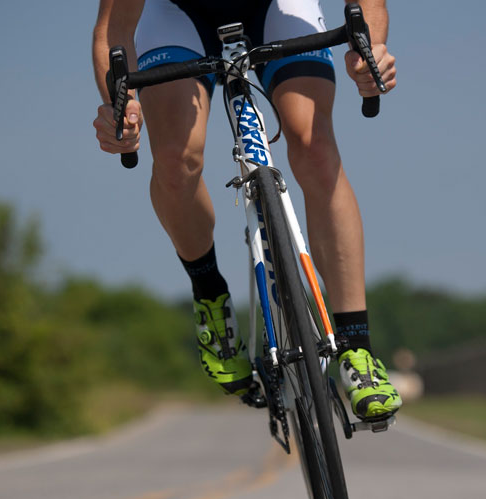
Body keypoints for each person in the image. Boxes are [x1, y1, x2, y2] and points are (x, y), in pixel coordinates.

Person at [92, 0, 402, 421]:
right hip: (178, 15)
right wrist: (120, 108)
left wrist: (374, 50)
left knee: (315, 147)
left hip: (279, 7)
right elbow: (113, 30)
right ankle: (210, 295)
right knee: (175, 160)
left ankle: (356, 347)